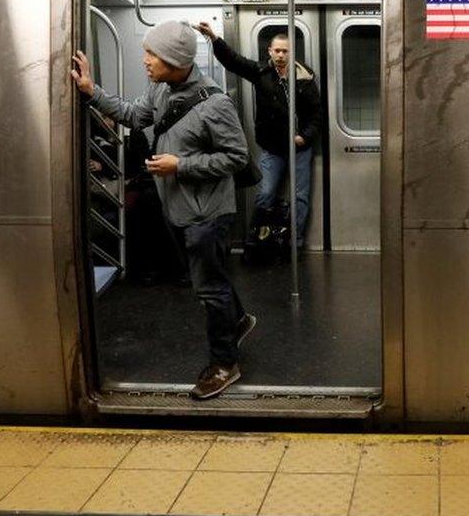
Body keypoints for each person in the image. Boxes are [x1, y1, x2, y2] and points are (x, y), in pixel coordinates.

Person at [70, 20, 257, 400]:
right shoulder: (161, 91)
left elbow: (237, 157)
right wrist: (92, 92)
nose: (146, 61)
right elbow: (131, 114)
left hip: (207, 213)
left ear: (175, 60)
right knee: (212, 276)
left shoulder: (216, 104)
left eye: (152, 54)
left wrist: (181, 165)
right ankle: (237, 319)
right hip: (180, 208)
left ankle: (225, 363)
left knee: (208, 288)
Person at [195, 23, 322, 247]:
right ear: (270, 52)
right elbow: (234, 61)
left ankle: (296, 242)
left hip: (300, 147)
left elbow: (316, 114)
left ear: (291, 53)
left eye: (285, 51)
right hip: (273, 148)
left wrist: (305, 137)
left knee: (300, 197)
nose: (281, 55)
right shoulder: (261, 72)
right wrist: (215, 39)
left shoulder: (305, 77)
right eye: (277, 50)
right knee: (265, 193)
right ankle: (258, 239)